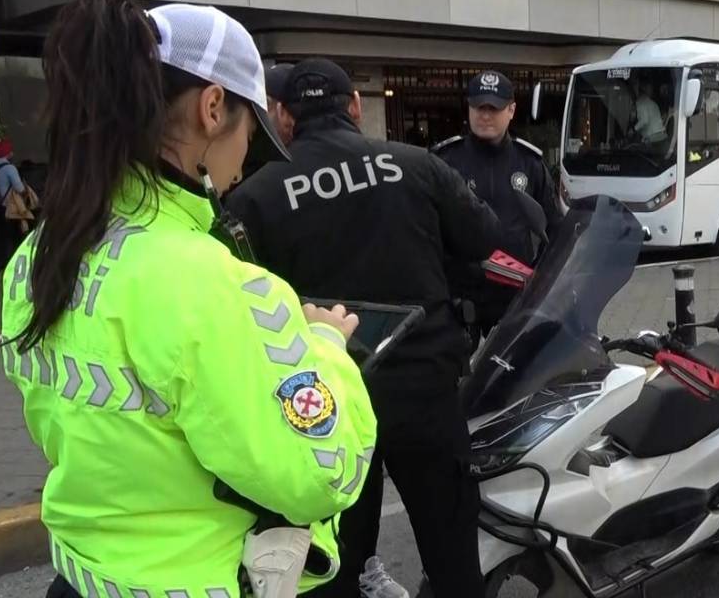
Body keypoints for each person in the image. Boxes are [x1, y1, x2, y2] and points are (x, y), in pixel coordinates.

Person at [2, 0, 377, 598]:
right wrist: (326, 349)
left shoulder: (38, 256)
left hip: (82, 579)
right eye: (250, 131)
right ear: (212, 108)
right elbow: (320, 474)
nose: (245, 158)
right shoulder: (217, 286)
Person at [226, 58, 502, 598]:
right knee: (453, 556)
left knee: (338, 563)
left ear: (285, 117)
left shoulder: (255, 196)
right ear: (355, 106)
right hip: (426, 391)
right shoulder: (417, 164)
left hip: (324, 405)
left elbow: (242, 305)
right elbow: (485, 236)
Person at [434, 69, 563, 340]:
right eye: (479, 107)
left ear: (511, 110)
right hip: (460, 296)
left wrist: (541, 279)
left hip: (514, 294)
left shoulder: (529, 163)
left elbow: (554, 229)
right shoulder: (446, 160)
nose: (485, 115)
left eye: (493, 108)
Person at [633, 79, 668, 143]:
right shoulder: (652, 103)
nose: (651, 91)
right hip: (662, 136)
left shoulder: (640, 102)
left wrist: (634, 129)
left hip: (653, 139)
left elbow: (644, 120)